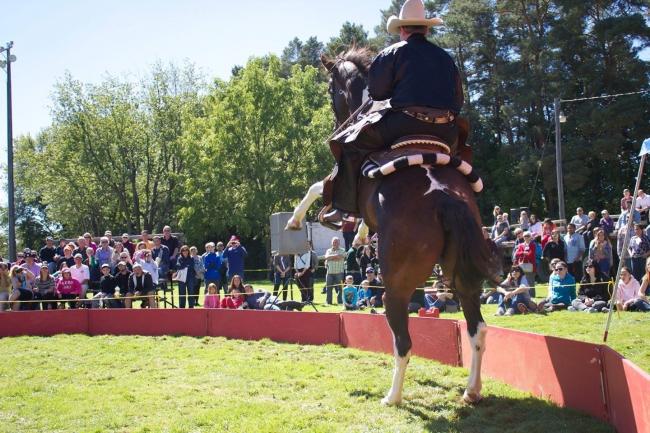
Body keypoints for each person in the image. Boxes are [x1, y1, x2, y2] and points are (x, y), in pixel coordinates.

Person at [322, 0, 463, 225]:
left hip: (404, 124)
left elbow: (377, 93)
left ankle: (344, 208)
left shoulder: (391, 53)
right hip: (446, 132)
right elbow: (458, 102)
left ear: (402, 30)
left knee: (350, 143)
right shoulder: (446, 58)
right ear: (426, 29)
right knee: (460, 150)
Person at [513, 232, 537, 297]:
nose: (526, 237)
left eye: (528, 236)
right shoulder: (521, 245)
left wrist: (524, 253)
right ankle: (524, 294)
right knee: (522, 280)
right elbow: (517, 254)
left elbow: (531, 254)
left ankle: (532, 295)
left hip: (530, 265)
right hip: (522, 266)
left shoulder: (533, 244)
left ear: (530, 237)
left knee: (531, 281)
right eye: (525, 236)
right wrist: (523, 253)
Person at [324, 237, 346, 305]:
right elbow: (326, 257)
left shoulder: (342, 250)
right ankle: (328, 302)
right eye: (334, 242)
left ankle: (340, 301)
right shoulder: (328, 250)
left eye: (336, 242)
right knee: (329, 288)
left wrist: (331, 258)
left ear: (339, 243)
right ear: (332, 243)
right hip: (329, 273)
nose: (335, 243)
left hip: (339, 272)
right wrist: (335, 256)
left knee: (340, 288)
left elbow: (341, 257)